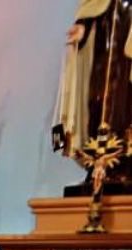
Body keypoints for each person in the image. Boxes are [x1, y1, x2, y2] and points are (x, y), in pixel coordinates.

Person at [54, 0, 132, 190]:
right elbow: (92, 6)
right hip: (103, 51)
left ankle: (124, 164)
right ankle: (97, 162)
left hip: (127, 56)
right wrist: (83, 25)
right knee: (96, 99)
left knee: (124, 105)